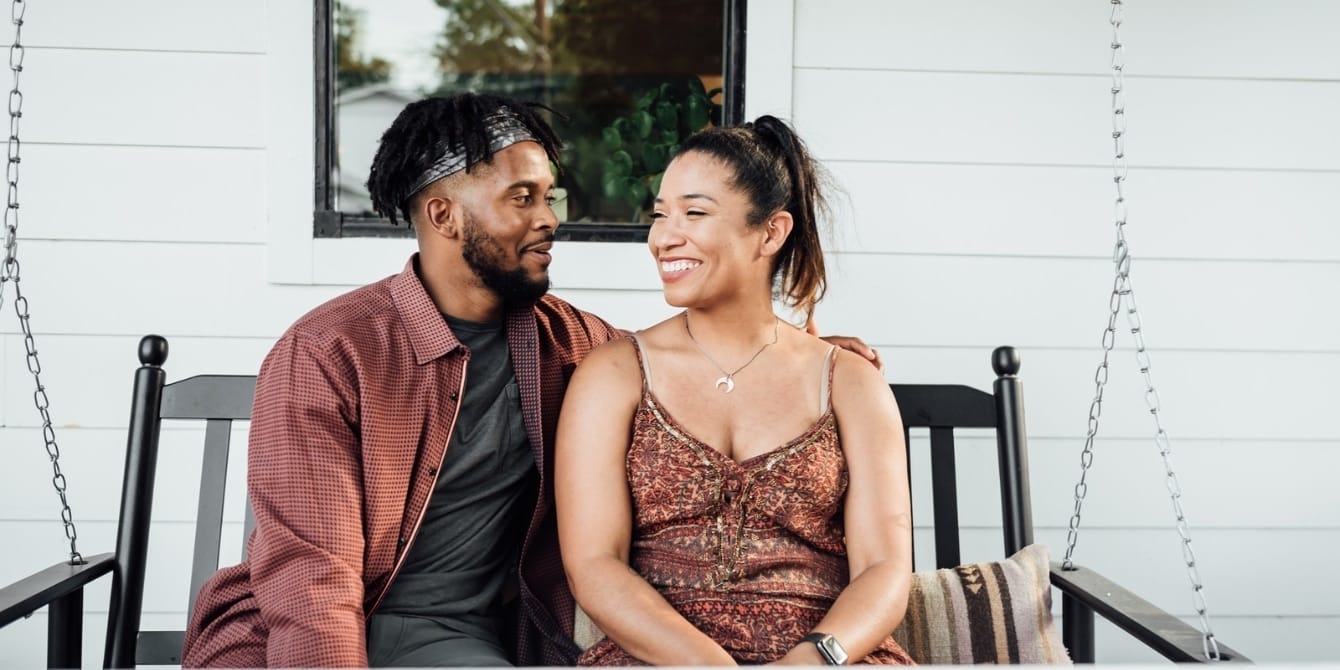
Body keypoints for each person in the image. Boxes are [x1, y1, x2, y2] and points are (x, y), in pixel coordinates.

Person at [181, 93, 880, 668]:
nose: (550, 219)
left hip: (473, 639)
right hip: (314, 636)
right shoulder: (330, 353)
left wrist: (813, 357)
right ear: (443, 215)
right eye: (522, 198)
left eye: (551, 195)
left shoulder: (573, 344)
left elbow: (691, 359)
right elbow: (313, 581)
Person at [555, 116, 915, 666]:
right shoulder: (615, 373)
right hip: (661, 658)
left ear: (770, 232)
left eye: (694, 213)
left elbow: (885, 570)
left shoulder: (848, 381)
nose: (663, 237)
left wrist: (816, 658)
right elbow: (595, 564)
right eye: (659, 214)